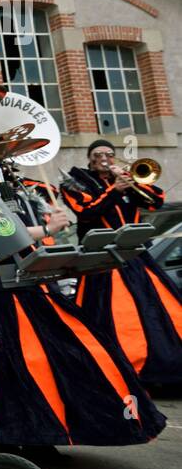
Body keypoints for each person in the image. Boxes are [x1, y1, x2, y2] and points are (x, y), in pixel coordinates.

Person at [0, 169, 166, 452]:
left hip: (27, 292)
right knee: (3, 372)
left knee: (66, 359)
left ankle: (46, 434)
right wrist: (46, 229)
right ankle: (8, 438)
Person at [61, 139, 182, 388]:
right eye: (97, 154)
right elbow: (86, 212)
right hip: (101, 260)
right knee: (109, 314)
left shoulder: (128, 179)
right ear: (89, 159)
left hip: (136, 256)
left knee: (155, 310)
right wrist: (114, 190)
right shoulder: (77, 183)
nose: (103, 157)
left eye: (108, 153)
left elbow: (155, 201)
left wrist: (132, 183)